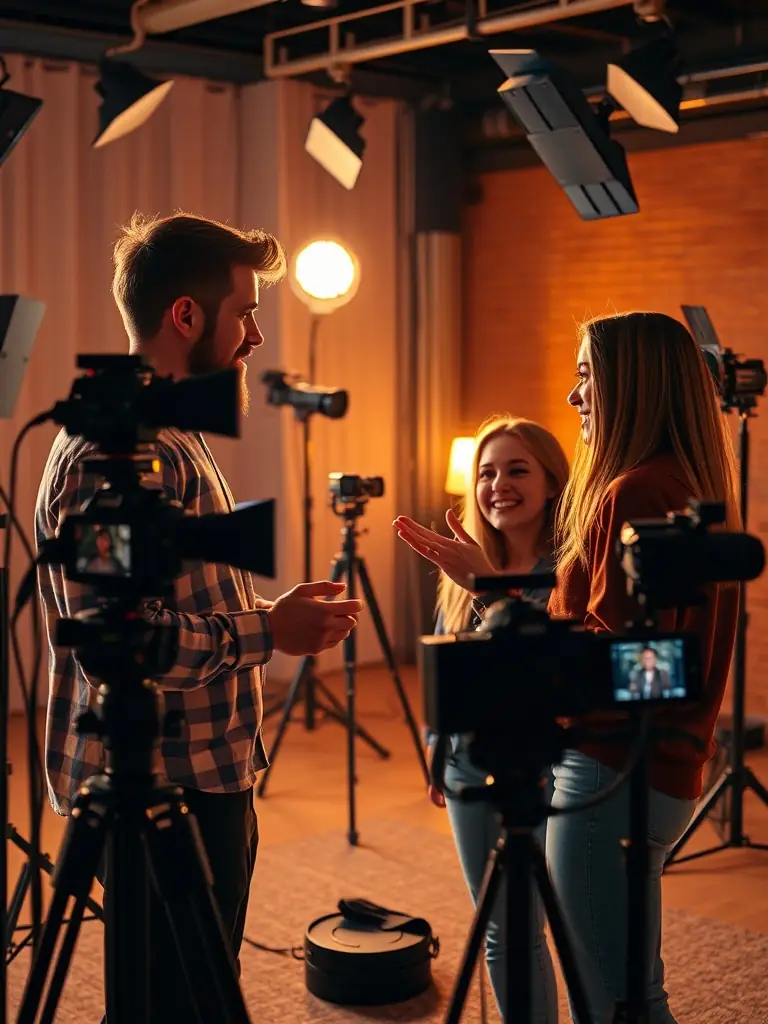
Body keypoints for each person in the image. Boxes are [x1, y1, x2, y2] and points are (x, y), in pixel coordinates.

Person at [35, 211, 364, 1023]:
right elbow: (116, 637)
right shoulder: (123, 446)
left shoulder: (166, 429)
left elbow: (166, 597)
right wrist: (268, 633)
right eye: (245, 312)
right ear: (186, 315)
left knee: (178, 988)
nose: (254, 337)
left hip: (200, 766)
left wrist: (270, 615)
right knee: (176, 1002)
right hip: (160, 781)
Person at [395, 311, 740, 1024]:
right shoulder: (683, 482)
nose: (574, 396)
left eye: (586, 377)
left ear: (632, 384)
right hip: (660, 766)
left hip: (610, 766)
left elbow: (611, 658)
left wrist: (491, 586)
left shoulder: (633, 491)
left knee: (610, 1002)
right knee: (629, 991)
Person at [394, 415, 569, 1022]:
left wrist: (492, 590)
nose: (498, 484)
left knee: (549, 924)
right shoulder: (459, 576)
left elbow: (548, 677)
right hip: (470, 767)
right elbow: (449, 674)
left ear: (552, 482)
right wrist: (436, 755)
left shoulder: (571, 573)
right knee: (499, 929)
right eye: (487, 473)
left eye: (517, 470)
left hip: (555, 770)